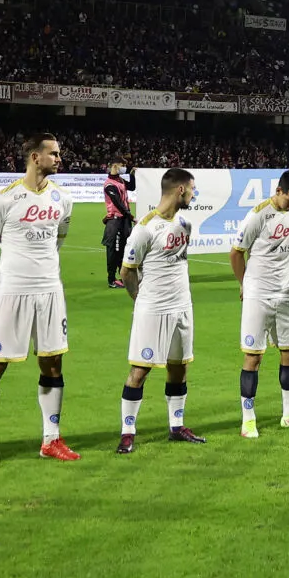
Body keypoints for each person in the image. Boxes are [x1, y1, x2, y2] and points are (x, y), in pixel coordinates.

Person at [0, 133, 78, 472]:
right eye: (53, 153)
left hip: (50, 290)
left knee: (53, 364)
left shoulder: (63, 199)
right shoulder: (3, 200)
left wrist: (43, 271)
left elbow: (58, 240)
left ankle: (51, 439)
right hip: (12, 291)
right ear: (35, 157)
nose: (59, 158)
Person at [118, 168, 205, 450]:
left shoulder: (185, 224)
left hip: (182, 306)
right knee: (140, 370)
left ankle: (176, 427)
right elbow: (127, 271)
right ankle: (127, 432)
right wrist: (139, 299)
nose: (193, 193)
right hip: (153, 308)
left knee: (179, 368)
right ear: (180, 189)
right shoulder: (145, 228)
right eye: (192, 188)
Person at [231, 168, 289, 437]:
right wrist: (245, 284)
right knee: (253, 356)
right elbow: (236, 253)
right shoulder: (258, 215)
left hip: (285, 294)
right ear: (279, 190)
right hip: (258, 294)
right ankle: (248, 419)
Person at [102, 160, 134, 289]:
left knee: (124, 249)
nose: (124, 168)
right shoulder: (109, 184)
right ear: (115, 166)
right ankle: (111, 279)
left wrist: (132, 174)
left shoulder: (120, 180)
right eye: (122, 165)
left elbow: (132, 187)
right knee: (113, 251)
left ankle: (123, 276)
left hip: (124, 220)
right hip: (115, 220)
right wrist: (131, 216)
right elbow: (118, 204)